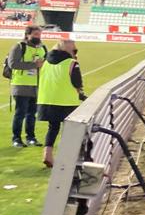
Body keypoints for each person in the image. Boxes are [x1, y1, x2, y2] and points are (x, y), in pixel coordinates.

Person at [36, 39, 86, 168]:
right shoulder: (72, 63)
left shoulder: (46, 62)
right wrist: (81, 94)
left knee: (53, 128)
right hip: (66, 101)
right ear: (68, 50)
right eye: (74, 50)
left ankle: (47, 154)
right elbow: (77, 83)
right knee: (70, 129)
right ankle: (66, 158)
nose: (75, 52)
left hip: (46, 100)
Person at [7, 25, 46, 148]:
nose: (38, 37)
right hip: (21, 85)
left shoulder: (43, 47)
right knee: (20, 114)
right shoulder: (19, 47)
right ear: (27, 34)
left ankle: (31, 138)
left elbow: (47, 63)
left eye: (39, 34)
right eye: (35, 34)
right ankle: (16, 139)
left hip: (36, 86)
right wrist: (33, 64)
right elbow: (13, 64)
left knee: (32, 114)